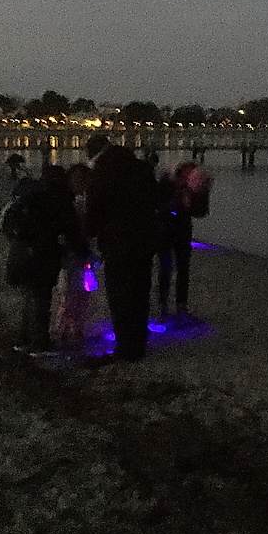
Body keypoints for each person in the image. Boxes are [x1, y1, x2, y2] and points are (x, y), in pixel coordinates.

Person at [85, 134, 160, 364]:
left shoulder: (101, 172)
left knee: (120, 296)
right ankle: (139, 344)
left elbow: (95, 210)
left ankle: (125, 346)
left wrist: (90, 231)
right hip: (144, 240)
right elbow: (156, 199)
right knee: (140, 292)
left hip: (117, 241)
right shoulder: (140, 168)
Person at [2, 168, 86, 357]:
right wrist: (85, 253)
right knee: (41, 298)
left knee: (30, 296)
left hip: (23, 252)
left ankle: (24, 339)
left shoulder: (35, 196)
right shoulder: (61, 200)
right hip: (43, 255)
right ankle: (40, 342)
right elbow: (71, 231)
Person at [156, 159, 211, 322]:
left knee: (181, 269)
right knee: (167, 268)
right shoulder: (167, 182)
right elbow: (159, 204)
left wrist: (198, 196)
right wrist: (178, 203)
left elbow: (201, 212)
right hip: (166, 228)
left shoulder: (196, 186)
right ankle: (165, 307)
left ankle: (178, 307)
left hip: (181, 229)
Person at [55, 163, 95, 349]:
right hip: (74, 254)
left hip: (82, 253)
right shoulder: (71, 203)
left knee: (80, 292)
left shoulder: (81, 201)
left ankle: (74, 328)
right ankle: (65, 328)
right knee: (70, 292)